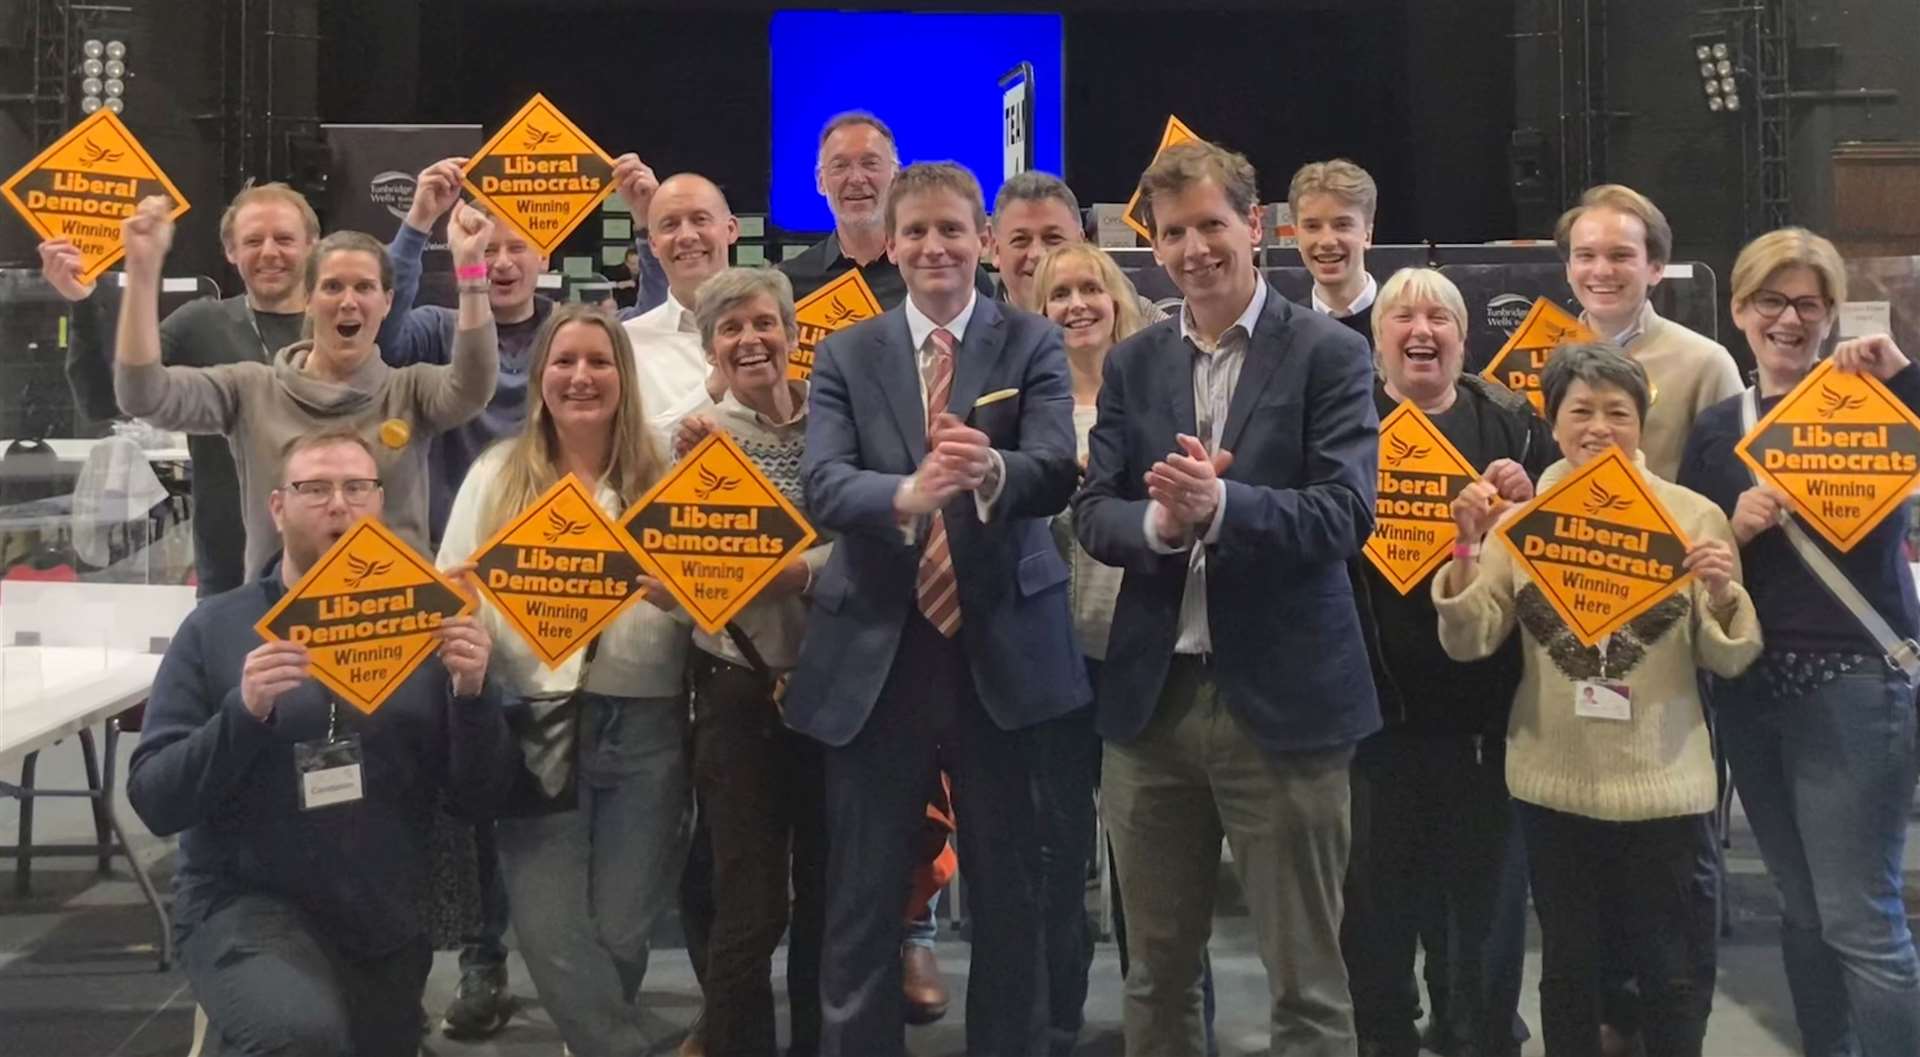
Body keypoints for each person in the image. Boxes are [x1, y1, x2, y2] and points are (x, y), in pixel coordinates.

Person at [1073, 139, 1381, 1057]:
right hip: (1150, 709)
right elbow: (1095, 513)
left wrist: (1223, 507)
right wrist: (1162, 529)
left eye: (1211, 224)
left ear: (1255, 226)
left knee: (1308, 986)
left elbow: (1344, 514)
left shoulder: (1328, 352)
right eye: (1173, 233)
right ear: (1155, 246)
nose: (1194, 248)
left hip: (1285, 711)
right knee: (1155, 975)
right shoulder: (1134, 365)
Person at [786, 160, 1087, 1057]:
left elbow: (1056, 467)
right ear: (891, 238)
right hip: (881, 651)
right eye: (914, 231)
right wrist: (907, 493)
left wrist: (989, 469)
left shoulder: (1030, 341)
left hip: (1005, 648)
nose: (933, 247)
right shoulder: (846, 349)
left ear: (983, 240)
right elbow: (825, 483)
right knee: (864, 891)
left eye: (952, 229)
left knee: (1013, 891)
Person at [370, 153, 661, 1041]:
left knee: (621, 912)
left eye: (516, 248)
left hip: (636, 699)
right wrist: (424, 229)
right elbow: (372, 328)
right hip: (519, 680)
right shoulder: (435, 334)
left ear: (543, 258)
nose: (500, 261)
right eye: (484, 248)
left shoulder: (654, 460)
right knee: (517, 890)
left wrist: (646, 225)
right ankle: (498, 971)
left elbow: (642, 325)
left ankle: (592, 1016)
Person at [126, 428, 516, 1056]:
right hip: (246, 902)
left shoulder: (428, 628)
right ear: (277, 507)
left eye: (357, 487)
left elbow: (479, 796)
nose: (340, 503)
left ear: (379, 504)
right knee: (298, 1036)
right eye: (316, 488)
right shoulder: (217, 629)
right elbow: (155, 797)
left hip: (382, 914)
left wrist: (472, 695)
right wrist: (243, 713)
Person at [1435, 342, 1761, 1057]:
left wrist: (1721, 592)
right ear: (1553, 423)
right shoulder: (1522, 523)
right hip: (1553, 781)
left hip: (1664, 787)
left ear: (1642, 423)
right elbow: (1472, 638)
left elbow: (1728, 653)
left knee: (1671, 975)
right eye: (1580, 411)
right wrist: (1463, 551)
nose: (1599, 427)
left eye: (1618, 412)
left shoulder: (1691, 516)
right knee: (1568, 972)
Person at [1678, 228, 1920, 1057]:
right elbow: (1693, 562)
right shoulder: (1718, 428)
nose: (1788, 318)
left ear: (1829, 317)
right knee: (1803, 910)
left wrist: (1907, 381)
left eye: (1807, 303)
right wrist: (1735, 532)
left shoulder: (1879, 402)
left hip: (1854, 680)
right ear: (1740, 310)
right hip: (1750, 683)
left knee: (1861, 918)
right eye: (1770, 301)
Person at [436, 304, 692, 1055]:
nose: (581, 377)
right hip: (534, 719)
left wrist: (676, 594)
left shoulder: (668, 472)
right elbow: (456, 596)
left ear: (625, 375)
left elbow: (716, 604)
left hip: (646, 718)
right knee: (547, 927)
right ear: (539, 375)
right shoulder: (494, 473)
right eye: (564, 362)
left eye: (599, 362)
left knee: (623, 922)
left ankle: (598, 1038)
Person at [1340, 268, 1550, 1057]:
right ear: (1378, 336)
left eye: (1439, 317)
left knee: (1485, 905)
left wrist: (1530, 502)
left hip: (1484, 714)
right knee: (1376, 904)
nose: (1420, 331)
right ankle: (1383, 1036)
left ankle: (1480, 1033)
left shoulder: (1511, 422)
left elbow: (1556, 553)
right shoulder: (1346, 418)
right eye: (1403, 316)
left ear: (1465, 339)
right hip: (1371, 711)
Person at [111, 195, 498, 574]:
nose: (348, 301)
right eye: (332, 287)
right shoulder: (250, 390)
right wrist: (143, 273)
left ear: (386, 302)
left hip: (391, 623)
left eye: (364, 288)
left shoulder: (409, 391)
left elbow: (473, 386)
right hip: (279, 622)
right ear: (309, 300)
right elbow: (143, 394)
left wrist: (471, 272)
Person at [667, 267, 833, 1057]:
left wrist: (804, 570)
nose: (749, 340)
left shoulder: (838, 422)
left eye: (764, 322)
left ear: (794, 334)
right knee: (752, 902)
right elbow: (672, 582)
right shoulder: (691, 437)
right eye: (729, 329)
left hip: (841, 687)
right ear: (709, 348)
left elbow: (877, 541)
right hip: (737, 688)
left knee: (831, 898)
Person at [46, 181, 320, 596]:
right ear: (230, 252)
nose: (269, 252)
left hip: (332, 564)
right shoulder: (200, 324)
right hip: (229, 574)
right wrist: (83, 304)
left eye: (284, 239)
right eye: (252, 241)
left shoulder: (344, 324)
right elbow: (103, 399)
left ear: (313, 245)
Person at [1024, 241, 1151, 1055]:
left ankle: (1167, 1018)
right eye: (1058, 292)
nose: (1076, 303)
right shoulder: (1025, 405)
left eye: (1090, 289)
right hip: (1049, 659)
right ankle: (1053, 1020)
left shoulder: (1153, 392)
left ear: (1117, 300)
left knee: (1151, 858)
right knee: (1054, 854)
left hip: (1140, 649)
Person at [1555, 184, 1741, 481]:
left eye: (1620, 256)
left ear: (1655, 268)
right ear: (1568, 268)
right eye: (1586, 256)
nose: (1602, 271)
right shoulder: (1536, 359)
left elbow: (1733, 483)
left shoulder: (1706, 364)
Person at [778, 111, 996, 308]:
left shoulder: (948, 272)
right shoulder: (789, 283)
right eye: (840, 166)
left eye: (870, 163)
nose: (856, 178)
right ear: (820, 182)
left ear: (896, 175)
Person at [622, 173, 742, 440]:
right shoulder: (625, 344)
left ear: (731, 229)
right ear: (653, 244)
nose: (686, 236)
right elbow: (629, 452)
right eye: (670, 225)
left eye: (700, 219)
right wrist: (712, 391)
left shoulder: (781, 335)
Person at [1290, 159, 1380, 343]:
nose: (1327, 241)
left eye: (1342, 225)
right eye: (1312, 226)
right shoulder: (1285, 333)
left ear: (1367, 234)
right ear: (1296, 235)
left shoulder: (1404, 324)